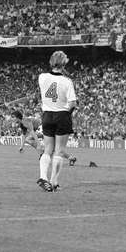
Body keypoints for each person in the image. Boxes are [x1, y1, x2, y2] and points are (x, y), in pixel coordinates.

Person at [37, 51, 77, 192]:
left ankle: (43, 177)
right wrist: (67, 114)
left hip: (47, 115)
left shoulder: (42, 77)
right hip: (62, 115)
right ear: (64, 64)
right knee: (59, 151)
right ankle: (53, 181)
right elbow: (72, 103)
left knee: (48, 149)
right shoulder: (67, 81)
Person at [12, 110, 78, 166]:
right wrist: (22, 146)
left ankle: (42, 154)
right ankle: (71, 158)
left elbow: (33, 134)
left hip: (44, 128)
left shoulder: (25, 121)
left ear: (17, 117)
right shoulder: (21, 123)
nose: (12, 119)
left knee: (52, 148)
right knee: (54, 149)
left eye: (13, 117)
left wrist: (39, 145)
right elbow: (24, 135)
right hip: (41, 129)